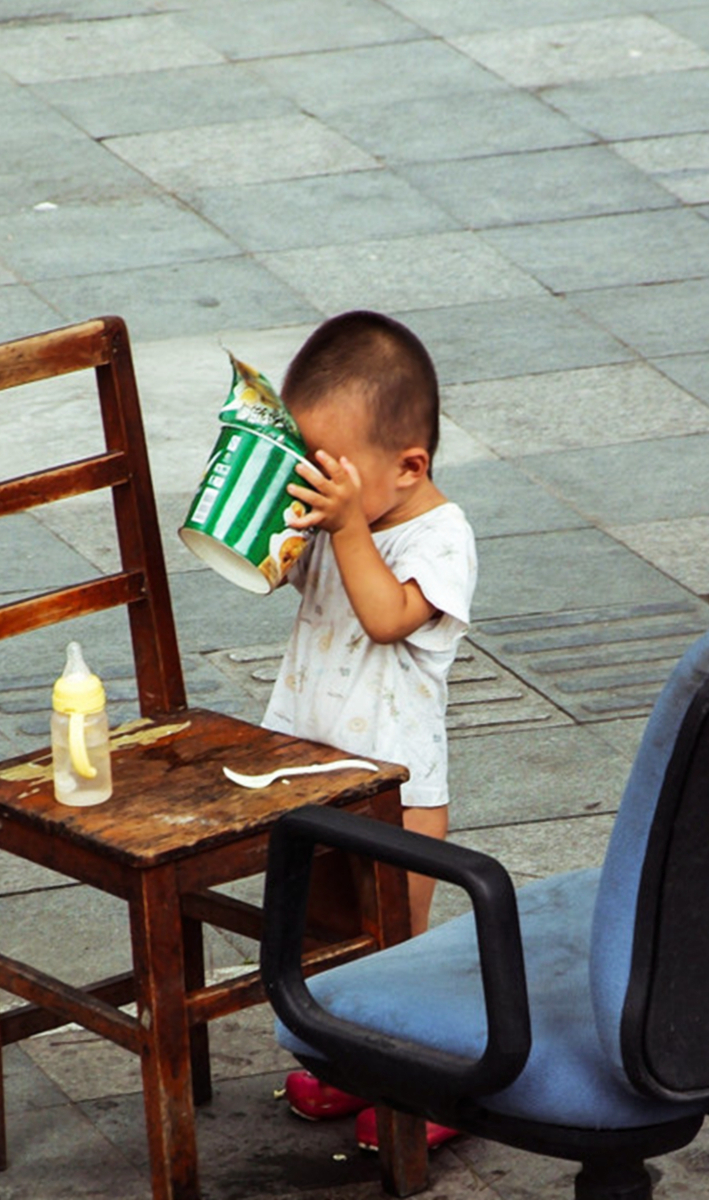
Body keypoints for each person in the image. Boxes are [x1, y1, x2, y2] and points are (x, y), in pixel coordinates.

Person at [262, 310, 477, 1152]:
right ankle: (352, 1067)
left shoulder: (442, 537)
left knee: (400, 957)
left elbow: (386, 616)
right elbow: (291, 584)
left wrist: (348, 527)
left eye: (330, 473)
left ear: (410, 464)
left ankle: (438, 1089)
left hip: (398, 791)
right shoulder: (349, 511)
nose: (323, 489)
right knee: (325, 945)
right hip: (311, 767)